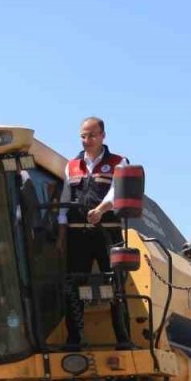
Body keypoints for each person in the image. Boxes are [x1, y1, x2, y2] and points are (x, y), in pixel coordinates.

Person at [59, 116, 132, 349]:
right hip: (77, 235)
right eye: (83, 136)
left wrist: (100, 210)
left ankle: (123, 339)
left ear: (103, 136)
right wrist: (61, 234)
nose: (87, 140)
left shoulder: (120, 162)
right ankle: (74, 340)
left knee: (116, 286)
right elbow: (63, 201)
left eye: (91, 135)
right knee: (74, 285)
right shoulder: (71, 165)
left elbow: (116, 192)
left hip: (108, 234)